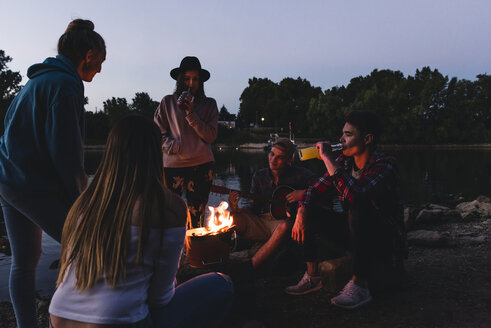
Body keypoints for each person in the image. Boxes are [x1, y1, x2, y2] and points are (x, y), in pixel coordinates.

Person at [49, 115, 234, 327]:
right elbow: (160, 299)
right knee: (222, 284)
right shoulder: (168, 206)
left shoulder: (86, 202)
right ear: (155, 154)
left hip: (58, 317)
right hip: (116, 322)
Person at [0, 19, 106, 327]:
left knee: (24, 262)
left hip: (8, 179)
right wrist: (82, 203)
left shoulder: (35, 82)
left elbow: (11, 131)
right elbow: (67, 156)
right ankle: (80, 319)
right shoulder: (66, 85)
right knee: (87, 245)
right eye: (100, 62)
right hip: (28, 186)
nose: (100, 70)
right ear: (88, 56)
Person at [288, 110, 407, 309]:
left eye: (348, 134)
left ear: (367, 139)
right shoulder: (344, 162)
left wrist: (327, 158)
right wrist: (301, 211)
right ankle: (313, 276)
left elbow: (356, 195)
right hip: (357, 235)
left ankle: (360, 285)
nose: (341, 139)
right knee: (302, 206)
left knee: (358, 206)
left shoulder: (386, 164)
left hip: (384, 240)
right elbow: (313, 192)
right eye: (342, 134)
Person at [228, 138, 319, 271]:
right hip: (262, 222)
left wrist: (303, 193)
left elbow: (323, 186)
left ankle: (251, 266)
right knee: (230, 217)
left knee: (284, 226)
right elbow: (254, 209)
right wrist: (237, 209)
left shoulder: (301, 174)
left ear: (289, 159)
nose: (273, 160)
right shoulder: (259, 176)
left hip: (282, 223)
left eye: (280, 157)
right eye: (272, 154)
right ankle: (219, 257)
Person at [154, 56, 218, 228]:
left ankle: (194, 253)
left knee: (197, 215)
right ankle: (173, 252)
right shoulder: (167, 102)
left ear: (201, 81)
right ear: (180, 80)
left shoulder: (209, 104)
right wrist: (176, 147)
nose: (191, 83)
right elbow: (157, 134)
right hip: (172, 166)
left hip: (202, 165)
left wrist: (191, 114)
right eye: (187, 78)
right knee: (169, 214)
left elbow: (210, 136)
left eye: (195, 79)